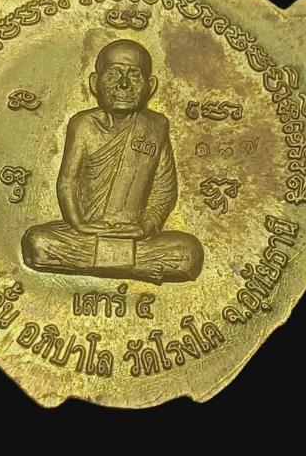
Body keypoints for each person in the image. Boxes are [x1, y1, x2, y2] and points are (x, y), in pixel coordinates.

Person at [22, 39, 204, 284]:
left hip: (135, 235)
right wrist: (79, 224)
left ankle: (102, 263)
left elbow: (164, 190)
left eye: (134, 75)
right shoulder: (83, 125)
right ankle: (134, 266)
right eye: (114, 74)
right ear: (95, 83)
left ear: (150, 86)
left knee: (189, 253)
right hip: (88, 232)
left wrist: (147, 226)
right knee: (38, 243)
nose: (124, 84)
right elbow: (67, 182)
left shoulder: (155, 127)